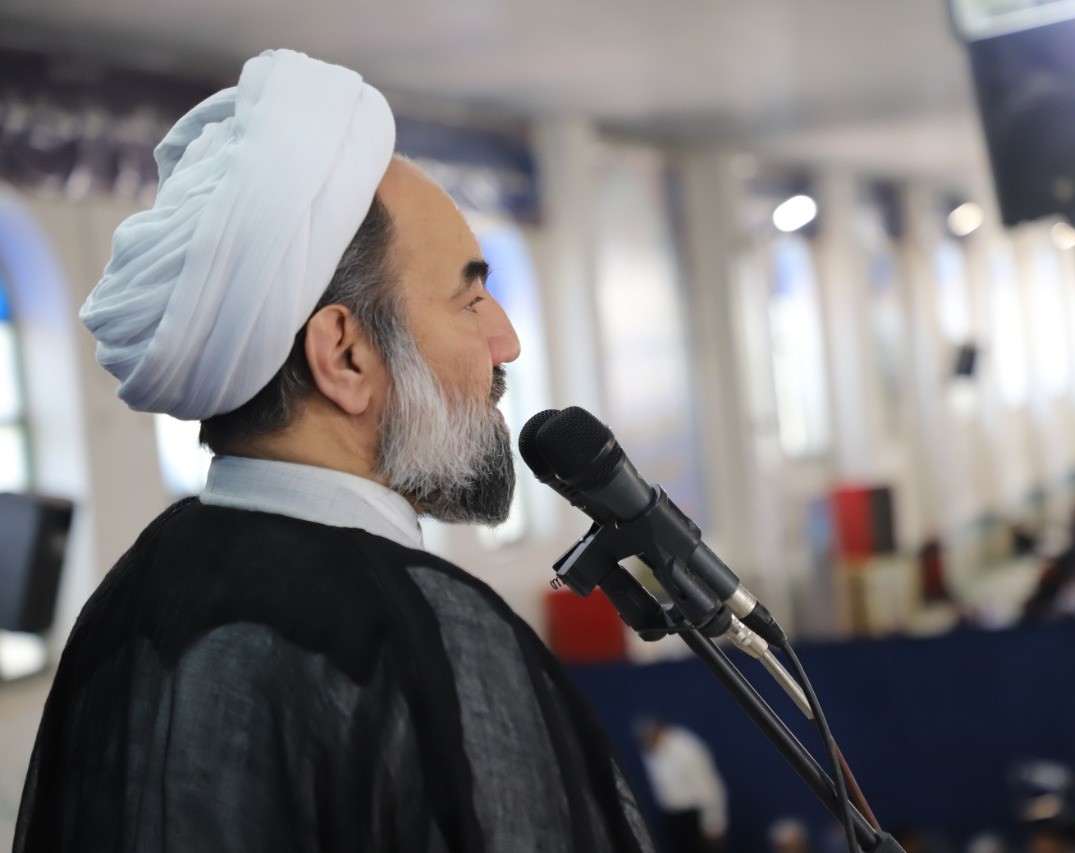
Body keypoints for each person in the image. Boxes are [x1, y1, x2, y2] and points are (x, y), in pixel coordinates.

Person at [16, 49, 653, 852]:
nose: (507, 342)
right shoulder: (435, 631)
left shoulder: (128, 597)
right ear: (345, 355)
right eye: (469, 299)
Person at [635, 718, 728, 852]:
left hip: (693, 815)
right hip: (672, 817)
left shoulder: (687, 749)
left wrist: (714, 823)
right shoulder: (650, 751)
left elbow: (708, 787)